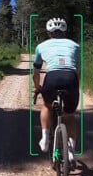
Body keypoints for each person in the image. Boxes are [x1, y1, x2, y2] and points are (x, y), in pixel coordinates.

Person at [32, 17, 80, 159]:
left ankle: (45, 138)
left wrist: (37, 87)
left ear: (48, 33)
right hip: (70, 78)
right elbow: (78, 71)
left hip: (52, 78)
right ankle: (71, 151)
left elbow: (36, 72)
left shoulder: (41, 46)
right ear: (64, 32)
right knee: (70, 116)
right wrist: (76, 86)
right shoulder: (75, 46)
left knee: (47, 106)